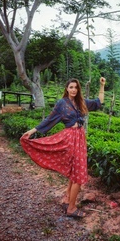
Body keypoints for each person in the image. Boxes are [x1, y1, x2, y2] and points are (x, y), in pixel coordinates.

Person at [20, 77, 106, 218]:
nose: (73, 90)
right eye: (71, 87)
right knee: (79, 174)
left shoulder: (81, 102)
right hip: (69, 139)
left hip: (79, 139)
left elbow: (99, 102)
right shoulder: (62, 103)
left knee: (75, 170)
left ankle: (67, 199)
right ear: (66, 88)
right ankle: (71, 208)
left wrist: (102, 86)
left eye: (76, 87)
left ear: (78, 89)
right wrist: (32, 130)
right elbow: (49, 119)